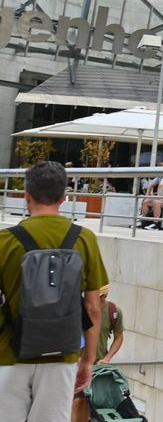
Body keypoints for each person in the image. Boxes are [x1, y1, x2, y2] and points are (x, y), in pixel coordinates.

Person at [0, 161, 108, 421]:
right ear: (63, 198)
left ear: (26, 196)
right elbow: (94, 305)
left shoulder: (4, 241)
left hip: (8, 353)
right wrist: (88, 359)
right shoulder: (84, 239)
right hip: (62, 355)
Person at [95, 285, 124, 364]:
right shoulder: (79, 307)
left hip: (98, 365)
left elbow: (119, 337)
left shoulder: (114, 312)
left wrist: (107, 358)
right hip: (76, 364)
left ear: (105, 295)